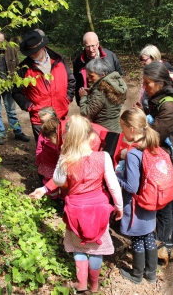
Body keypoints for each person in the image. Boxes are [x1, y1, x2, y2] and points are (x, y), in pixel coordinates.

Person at [30, 114, 123, 292]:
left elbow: (57, 180)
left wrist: (63, 156)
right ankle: (94, 285)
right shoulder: (103, 157)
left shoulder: (67, 160)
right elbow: (114, 186)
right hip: (99, 211)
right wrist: (119, 207)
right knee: (97, 249)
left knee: (79, 249)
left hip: (76, 211)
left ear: (68, 138)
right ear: (91, 136)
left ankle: (81, 284)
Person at [138, 61, 173, 249]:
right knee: (171, 202)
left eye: (147, 83)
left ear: (159, 83)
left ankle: (163, 244)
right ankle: (172, 238)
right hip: (167, 158)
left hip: (166, 161)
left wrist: (138, 130)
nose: (144, 87)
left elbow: (154, 137)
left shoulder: (168, 107)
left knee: (165, 204)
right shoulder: (164, 98)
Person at [116, 107, 159, 284]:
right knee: (148, 235)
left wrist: (117, 176)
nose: (122, 132)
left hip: (137, 204)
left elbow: (132, 186)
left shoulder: (134, 154)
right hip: (152, 200)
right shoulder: (152, 144)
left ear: (131, 129)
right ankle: (151, 273)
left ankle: (136, 274)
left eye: (123, 128)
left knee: (137, 238)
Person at [12, 30, 76, 143]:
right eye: (29, 51)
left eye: (34, 51)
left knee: (63, 147)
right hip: (40, 119)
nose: (32, 54)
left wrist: (67, 98)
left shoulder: (59, 60)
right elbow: (16, 91)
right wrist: (29, 106)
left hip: (61, 114)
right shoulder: (23, 68)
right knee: (44, 151)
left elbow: (71, 80)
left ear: (42, 47)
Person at [73, 31, 124, 106]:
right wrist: (80, 102)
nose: (91, 49)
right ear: (84, 45)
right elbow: (77, 83)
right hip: (90, 102)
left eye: (93, 45)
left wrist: (121, 97)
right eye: (88, 46)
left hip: (110, 101)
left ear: (98, 44)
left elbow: (120, 76)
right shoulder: (78, 60)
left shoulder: (110, 56)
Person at [79, 58, 127, 132]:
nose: (89, 79)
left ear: (102, 75)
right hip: (116, 130)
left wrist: (83, 97)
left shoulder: (100, 91)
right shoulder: (114, 85)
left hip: (103, 133)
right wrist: (92, 92)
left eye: (92, 76)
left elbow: (86, 114)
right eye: (88, 76)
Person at [139, 44, 173, 114]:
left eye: (144, 60)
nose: (143, 63)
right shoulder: (151, 71)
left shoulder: (165, 70)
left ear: (153, 57)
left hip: (158, 111)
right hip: (149, 109)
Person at [36, 107, 61, 199]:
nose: (44, 125)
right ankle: (50, 199)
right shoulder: (43, 132)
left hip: (59, 164)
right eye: (42, 123)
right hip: (48, 163)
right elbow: (39, 147)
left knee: (60, 181)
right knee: (47, 180)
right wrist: (38, 161)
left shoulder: (60, 130)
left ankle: (59, 197)